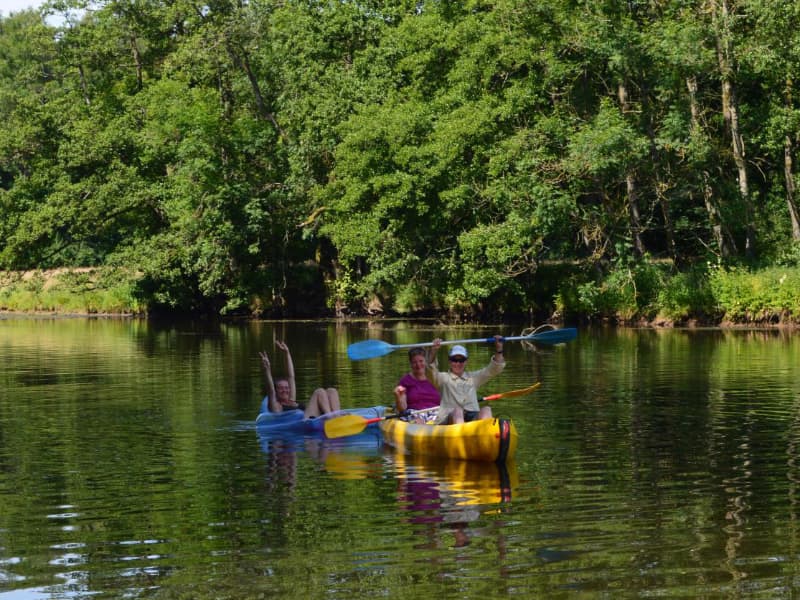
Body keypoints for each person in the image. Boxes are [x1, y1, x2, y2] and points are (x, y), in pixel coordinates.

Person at [427, 336, 505, 425]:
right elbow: (430, 371)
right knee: (458, 411)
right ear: (449, 361)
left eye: (461, 360)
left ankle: (486, 436)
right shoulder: (442, 378)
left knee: (486, 410)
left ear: (466, 361)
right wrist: (433, 351)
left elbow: (494, 369)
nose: (458, 363)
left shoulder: (473, 377)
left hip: (472, 416)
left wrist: (499, 349)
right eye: (454, 360)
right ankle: (461, 436)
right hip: (449, 418)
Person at [259, 340, 340, 418]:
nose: (285, 390)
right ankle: (330, 418)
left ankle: (337, 417)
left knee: (331, 391)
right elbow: (271, 390)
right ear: (276, 391)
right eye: (281, 388)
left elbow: (291, 376)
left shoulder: (291, 399)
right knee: (319, 392)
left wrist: (287, 353)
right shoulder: (276, 407)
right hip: (304, 423)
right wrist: (267, 369)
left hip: (312, 417)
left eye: (286, 388)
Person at [394, 347, 441, 423]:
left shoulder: (435, 378)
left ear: (425, 361)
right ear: (410, 364)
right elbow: (402, 408)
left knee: (451, 414)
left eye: (421, 361)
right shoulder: (405, 381)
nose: (418, 365)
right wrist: (398, 397)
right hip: (415, 412)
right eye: (414, 362)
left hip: (435, 411)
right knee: (419, 421)